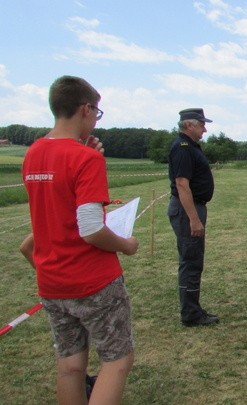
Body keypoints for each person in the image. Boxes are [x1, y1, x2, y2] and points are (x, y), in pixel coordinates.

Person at [21, 75, 138, 405]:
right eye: (96, 112)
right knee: (117, 361)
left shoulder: (33, 154)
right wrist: (126, 245)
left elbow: (57, 208)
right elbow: (90, 229)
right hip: (92, 282)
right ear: (86, 109)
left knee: (71, 366)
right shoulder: (87, 159)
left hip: (52, 283)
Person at [168, 108, 218, 327]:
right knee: (191, 261)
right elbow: (182, 184)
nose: (204, 129)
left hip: (192, 207)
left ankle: (192, 309)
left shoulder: (188, 147)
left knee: (192, 260)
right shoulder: (183, 148)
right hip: (188, 209)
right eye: (201, 124)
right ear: (189, 125)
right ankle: (191, 314)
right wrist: (194, 219)